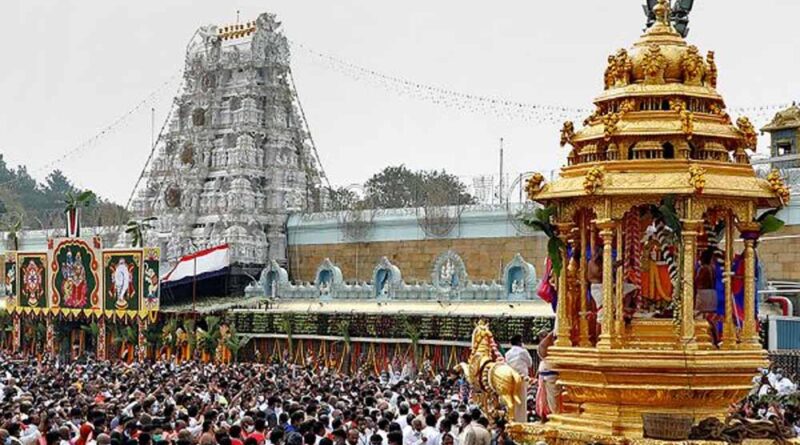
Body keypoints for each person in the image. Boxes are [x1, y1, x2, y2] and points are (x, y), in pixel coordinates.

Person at [503, 335, 533, 423]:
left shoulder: (507, 353)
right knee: (521, 400)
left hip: (511, 379)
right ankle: (521, 422)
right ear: (520, 342)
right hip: (521, 379)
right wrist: (524, 349)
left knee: (512, 399)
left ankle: (512, 419)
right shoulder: (523, 352)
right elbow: (530, 363)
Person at [535, 331, 559, 421]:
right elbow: (543, 349)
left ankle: (553, 417)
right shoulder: (542, 347)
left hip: (551, 375)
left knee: (552, 400)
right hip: (544, 375)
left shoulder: (554, 347)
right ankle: (544, 417)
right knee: (542, 399)